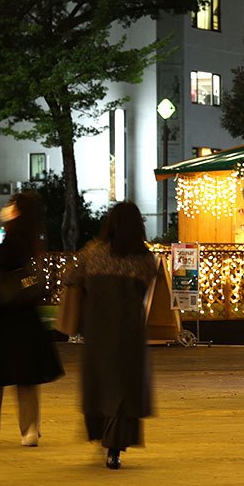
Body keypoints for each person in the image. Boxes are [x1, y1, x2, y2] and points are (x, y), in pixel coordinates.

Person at [68, 201, 158, 469]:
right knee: (125, 388)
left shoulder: (92, 253)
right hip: (130, 332)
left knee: (100, 385)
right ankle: (115, 447)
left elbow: (71, 278)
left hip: (98, 331)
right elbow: (148, 286)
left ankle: (101, 433)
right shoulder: (143, 259)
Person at [0, 192, 62, 446]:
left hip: (4, 319)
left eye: (12, 204)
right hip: (28, 319)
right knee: (26, 375)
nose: (7, 207)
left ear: (18, 211)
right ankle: (30, 428)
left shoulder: (8, 245)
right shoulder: (33, 242)